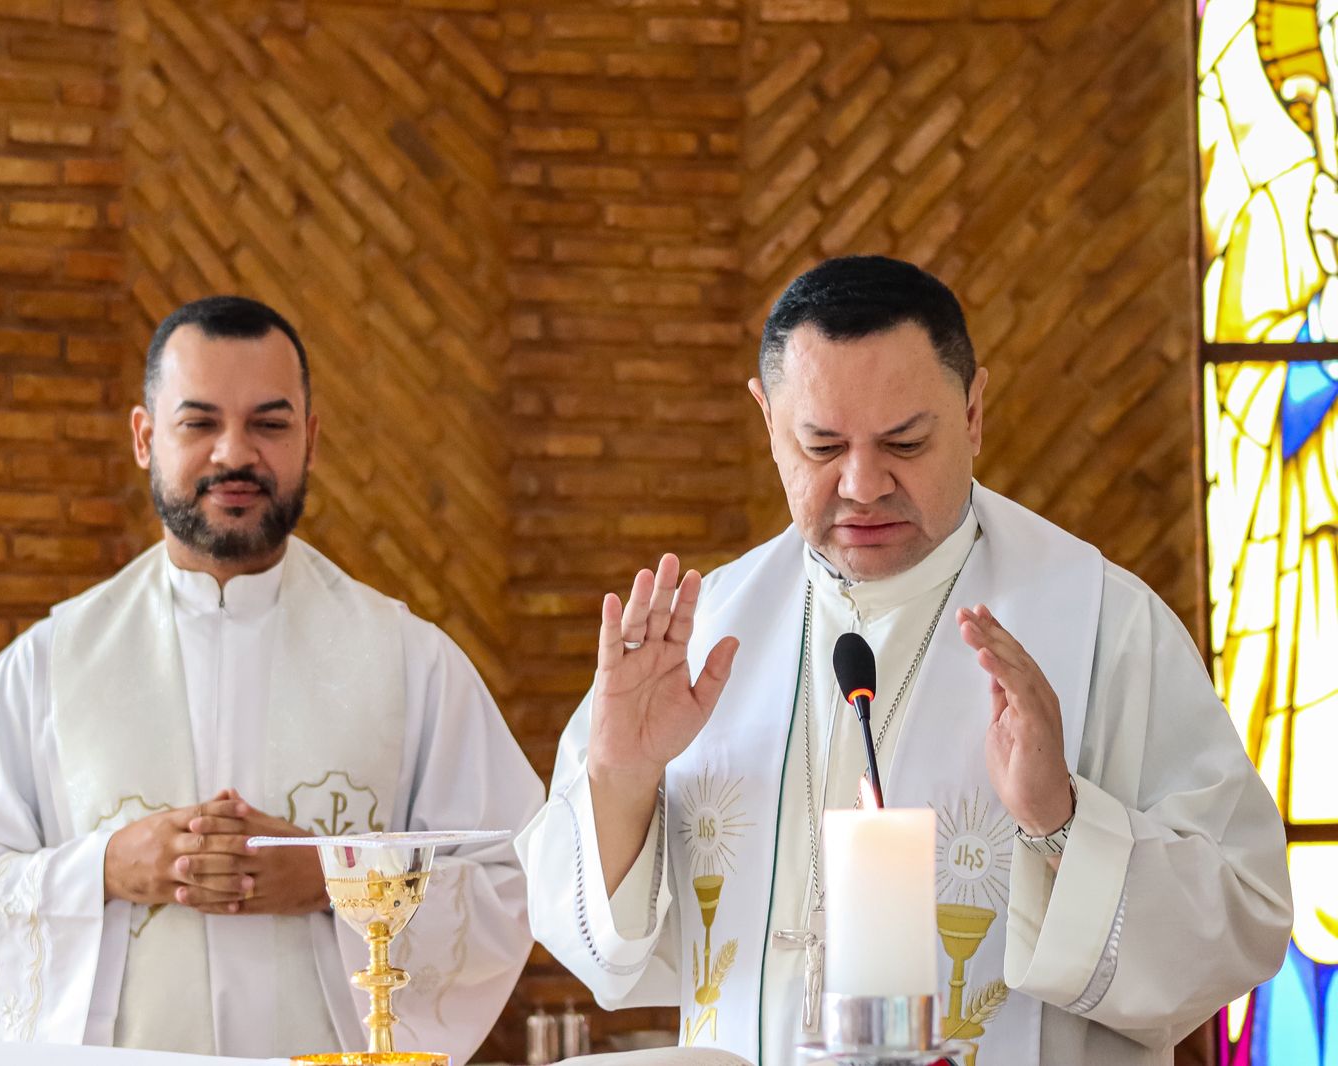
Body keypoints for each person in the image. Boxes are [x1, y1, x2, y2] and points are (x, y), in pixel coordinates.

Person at [515, 256, 1294, 1066]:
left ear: (973, 414)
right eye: (821, 445)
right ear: (768, 421)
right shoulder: (702, 630)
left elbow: (1242, 920)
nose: (862, 484)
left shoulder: (1106, 626)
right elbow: (593, 947)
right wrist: (622, 779)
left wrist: (1060, 821)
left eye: (905, 442)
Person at [0, 296, 543, 1060]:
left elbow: (512, 875)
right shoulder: (48, 665)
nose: (234, 454)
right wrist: (104, 868)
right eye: (199, 423)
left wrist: (334, 879)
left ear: (311, 439)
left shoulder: (410, 661)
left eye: (269, 424)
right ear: (145, 438)